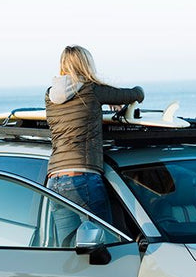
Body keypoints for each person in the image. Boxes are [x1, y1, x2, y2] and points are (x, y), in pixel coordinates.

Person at [45, 45, 144, 236]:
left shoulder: (50, 95)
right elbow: (135, 94)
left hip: (54, 180)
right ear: (86, 65)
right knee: (107, 240)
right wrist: (129, 94)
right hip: (82, 175)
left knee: (68, 248)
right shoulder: (92, 90)